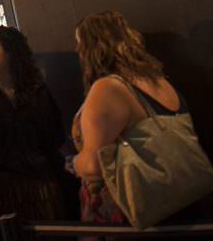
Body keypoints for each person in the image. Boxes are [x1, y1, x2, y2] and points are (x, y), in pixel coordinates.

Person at [70, 11, 188, 225]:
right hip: (182, 200)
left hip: (134, 210)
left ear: (93, 48)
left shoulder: (107, 88)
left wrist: (73, 163)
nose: (78, 52)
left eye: (80, 44)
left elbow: (94, 167)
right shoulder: (158, 81)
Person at [0, 26, 67, 220]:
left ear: (11, 52)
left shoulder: (37, 91)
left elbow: (55, 136)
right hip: (3, 196)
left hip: (43, 190)